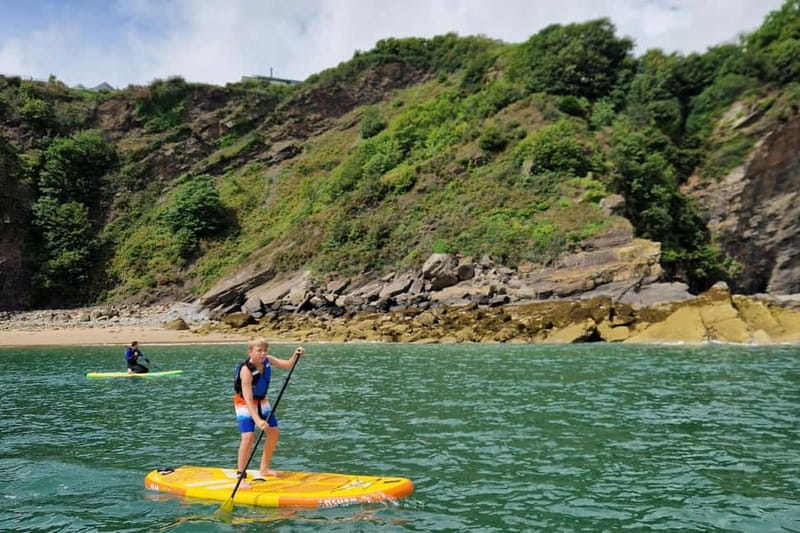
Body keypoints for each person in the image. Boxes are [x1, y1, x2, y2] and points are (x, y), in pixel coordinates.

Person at [234, 337, 303, 483]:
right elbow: (248, 399)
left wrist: (295, 355)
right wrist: (258, 420)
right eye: (259, 351)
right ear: (250, 352)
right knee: (248, 437)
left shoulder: (267, 360)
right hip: (245, 404)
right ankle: (241, 475)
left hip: (262, 401)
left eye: (265, 350)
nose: (263, 354)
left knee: (273, 432)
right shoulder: (246, 371)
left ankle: (264, 468)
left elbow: (288, 365)